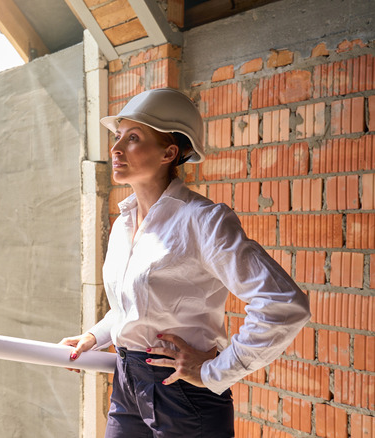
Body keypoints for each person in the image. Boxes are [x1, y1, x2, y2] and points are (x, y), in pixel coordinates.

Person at [60, 88, 311, 437]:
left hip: (183, 396)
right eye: (118, 136)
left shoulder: (203, 220)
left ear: (169, 153)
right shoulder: (124, 224)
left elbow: (284, 304)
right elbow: (136, 308)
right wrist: (94, 336)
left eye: (133, 138)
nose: (116, 148)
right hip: (127, 383)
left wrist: (217, 370)